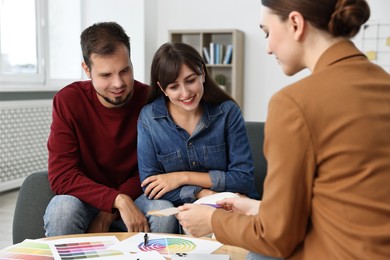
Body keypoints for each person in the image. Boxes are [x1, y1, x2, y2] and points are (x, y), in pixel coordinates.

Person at [176, 0, 390, 259]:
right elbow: (349, 200)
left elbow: (275, 237)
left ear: (296, 24)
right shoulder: (382, 83)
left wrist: (212, 220)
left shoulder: (294, 103)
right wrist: (259, 207)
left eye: (267, 32)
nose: (267, 48)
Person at [44, 21, 177, 236]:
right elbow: (62, 175)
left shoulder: (151, 100)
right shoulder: (68, 101)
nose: (118, 83)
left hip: (137, 196)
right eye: (106, 75)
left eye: (125, 71)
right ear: (87, 70)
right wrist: (116, 200)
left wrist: (109, 211)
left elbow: (155, 168)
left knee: (163, 211)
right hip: (86, 198)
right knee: (62, 210)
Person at [137, 42, 259, 211]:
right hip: (182, 209)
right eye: (174, 87)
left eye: (190, 80)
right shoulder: (149, 118)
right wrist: (201, 194)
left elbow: (243, 179)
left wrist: (182, 177)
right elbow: (151, 186)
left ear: (202, 73)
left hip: (230, 203)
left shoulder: (227, 112)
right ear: (162, 88)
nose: (186, 93)